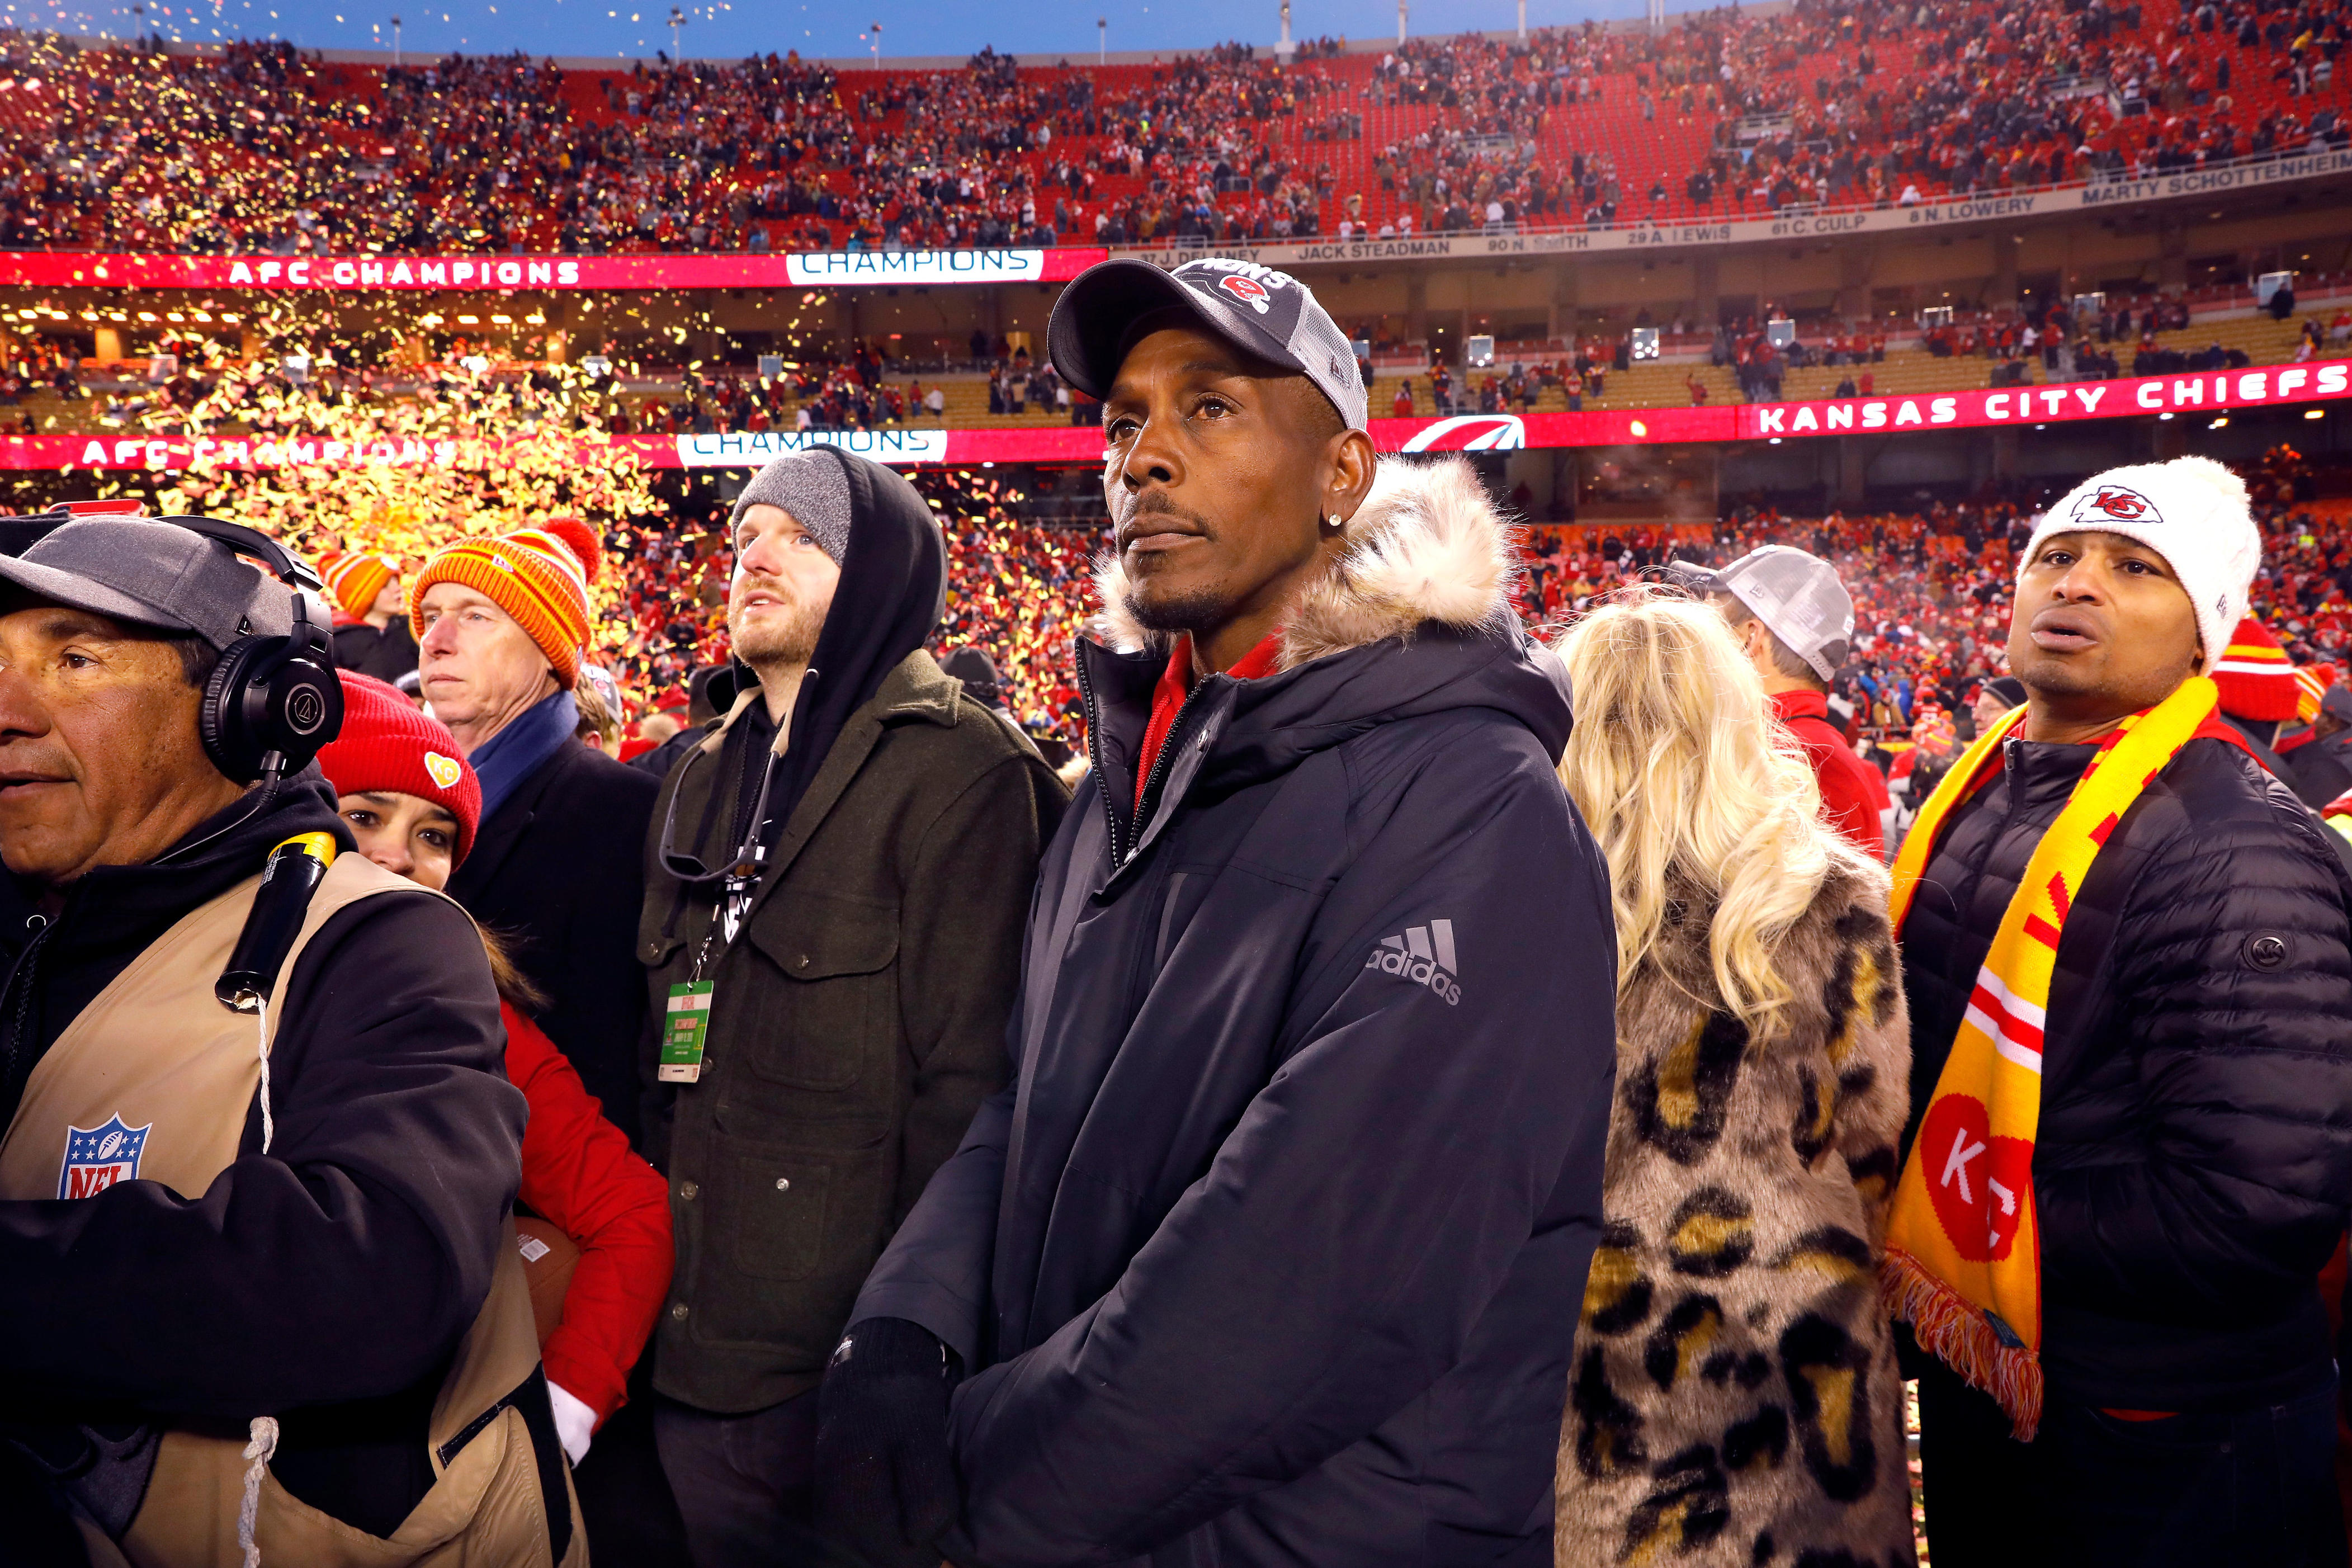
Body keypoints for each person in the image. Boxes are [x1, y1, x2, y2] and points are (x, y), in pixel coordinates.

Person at [818, 257, 1618, 1566]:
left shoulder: (1474, 805)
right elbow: (1026, 1102)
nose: (1141, 457)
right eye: (1124, 418)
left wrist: (974, 1492)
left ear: (1341, 475)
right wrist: (901, 1334)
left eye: (1209, 408)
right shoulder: (1125, 781)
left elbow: (1310, 1287)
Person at [0, 514, 577, 1561]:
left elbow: (381, 1268)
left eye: (73, 658)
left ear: (241, 705)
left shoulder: (385, 936)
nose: (6, 710)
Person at [1888, 457, 2352, 1568]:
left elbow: (2254, 1205)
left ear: (2206, 635)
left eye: (2135, 568)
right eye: (2057, 556)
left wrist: (1944, 1213)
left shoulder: (2236, 847)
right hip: (2006, 1377)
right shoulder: (1989, 786)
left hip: (2164, 1432)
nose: (2078, 584)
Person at [640, 446, 1064, 1565]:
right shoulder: (696, 773)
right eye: (742, 538)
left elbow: (974, 1094)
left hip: (827, 1380)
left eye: (801, 536)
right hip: (672, 1358)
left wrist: (906, 1348)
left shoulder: (964, 772)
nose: (754, 557)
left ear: (876, 571)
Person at [1552, 589, 1913, 1566]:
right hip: (1796, 1335)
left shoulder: (1509, 891)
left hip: (1573, 1328)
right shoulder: (1828, 891)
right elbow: (1876, 1132)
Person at [315, 671, 679, 1527]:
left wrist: (558, 1420)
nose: (401, 856)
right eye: (363, 816)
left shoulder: (480, 1016)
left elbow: (635, 1213)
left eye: (434, 834)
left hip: (382, 1481)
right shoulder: (168, 968)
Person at [410, 518, 660, 1147]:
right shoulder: (390, 801)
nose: (435, 639)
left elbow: (620, 1052)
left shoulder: (626, 810)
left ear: (550, 653)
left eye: (475, 616)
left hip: (551, 1192)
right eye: (432, 615)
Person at [1680, 544, 1890, 858]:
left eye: (1715, 626)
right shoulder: (1793, 742)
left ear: (1750, 638)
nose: (1702, 642)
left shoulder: (1805, 756)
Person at [322, 547, 419, 682]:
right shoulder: (338, 643)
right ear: (363, 598)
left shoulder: (412, 627)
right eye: (386, 585)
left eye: (397, 582)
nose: (398, 588)